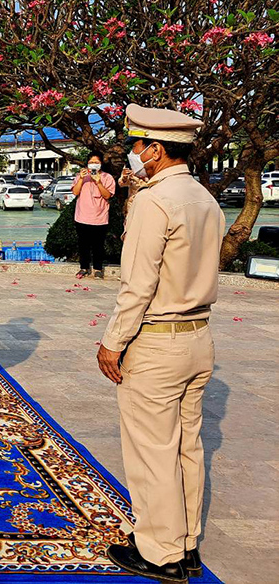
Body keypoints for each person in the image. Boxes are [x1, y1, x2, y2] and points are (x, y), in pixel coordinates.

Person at [97, 104, 225, 583]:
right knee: (186, 447)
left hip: (156, 339)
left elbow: (138, 284)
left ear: (155, 149)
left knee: (152, 451)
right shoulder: (204, 198)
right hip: (198, 335)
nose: (133, 153)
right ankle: (185, 543)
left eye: (137, 145)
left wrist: (113, 342)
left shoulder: (155, 201)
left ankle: (159, 551)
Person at [71, 151, 116, 279]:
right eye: (91, 162)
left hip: (100, 217)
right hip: (82, 216)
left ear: (101, 163)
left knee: (98, 245)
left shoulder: (107, 177)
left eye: (96, 162)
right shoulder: (81, 176)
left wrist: (98, 182)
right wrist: (81, 179)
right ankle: (84, 267)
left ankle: (98, 269)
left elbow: (107, 195)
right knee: (83, 245)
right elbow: (75, 192)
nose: (93, 164)